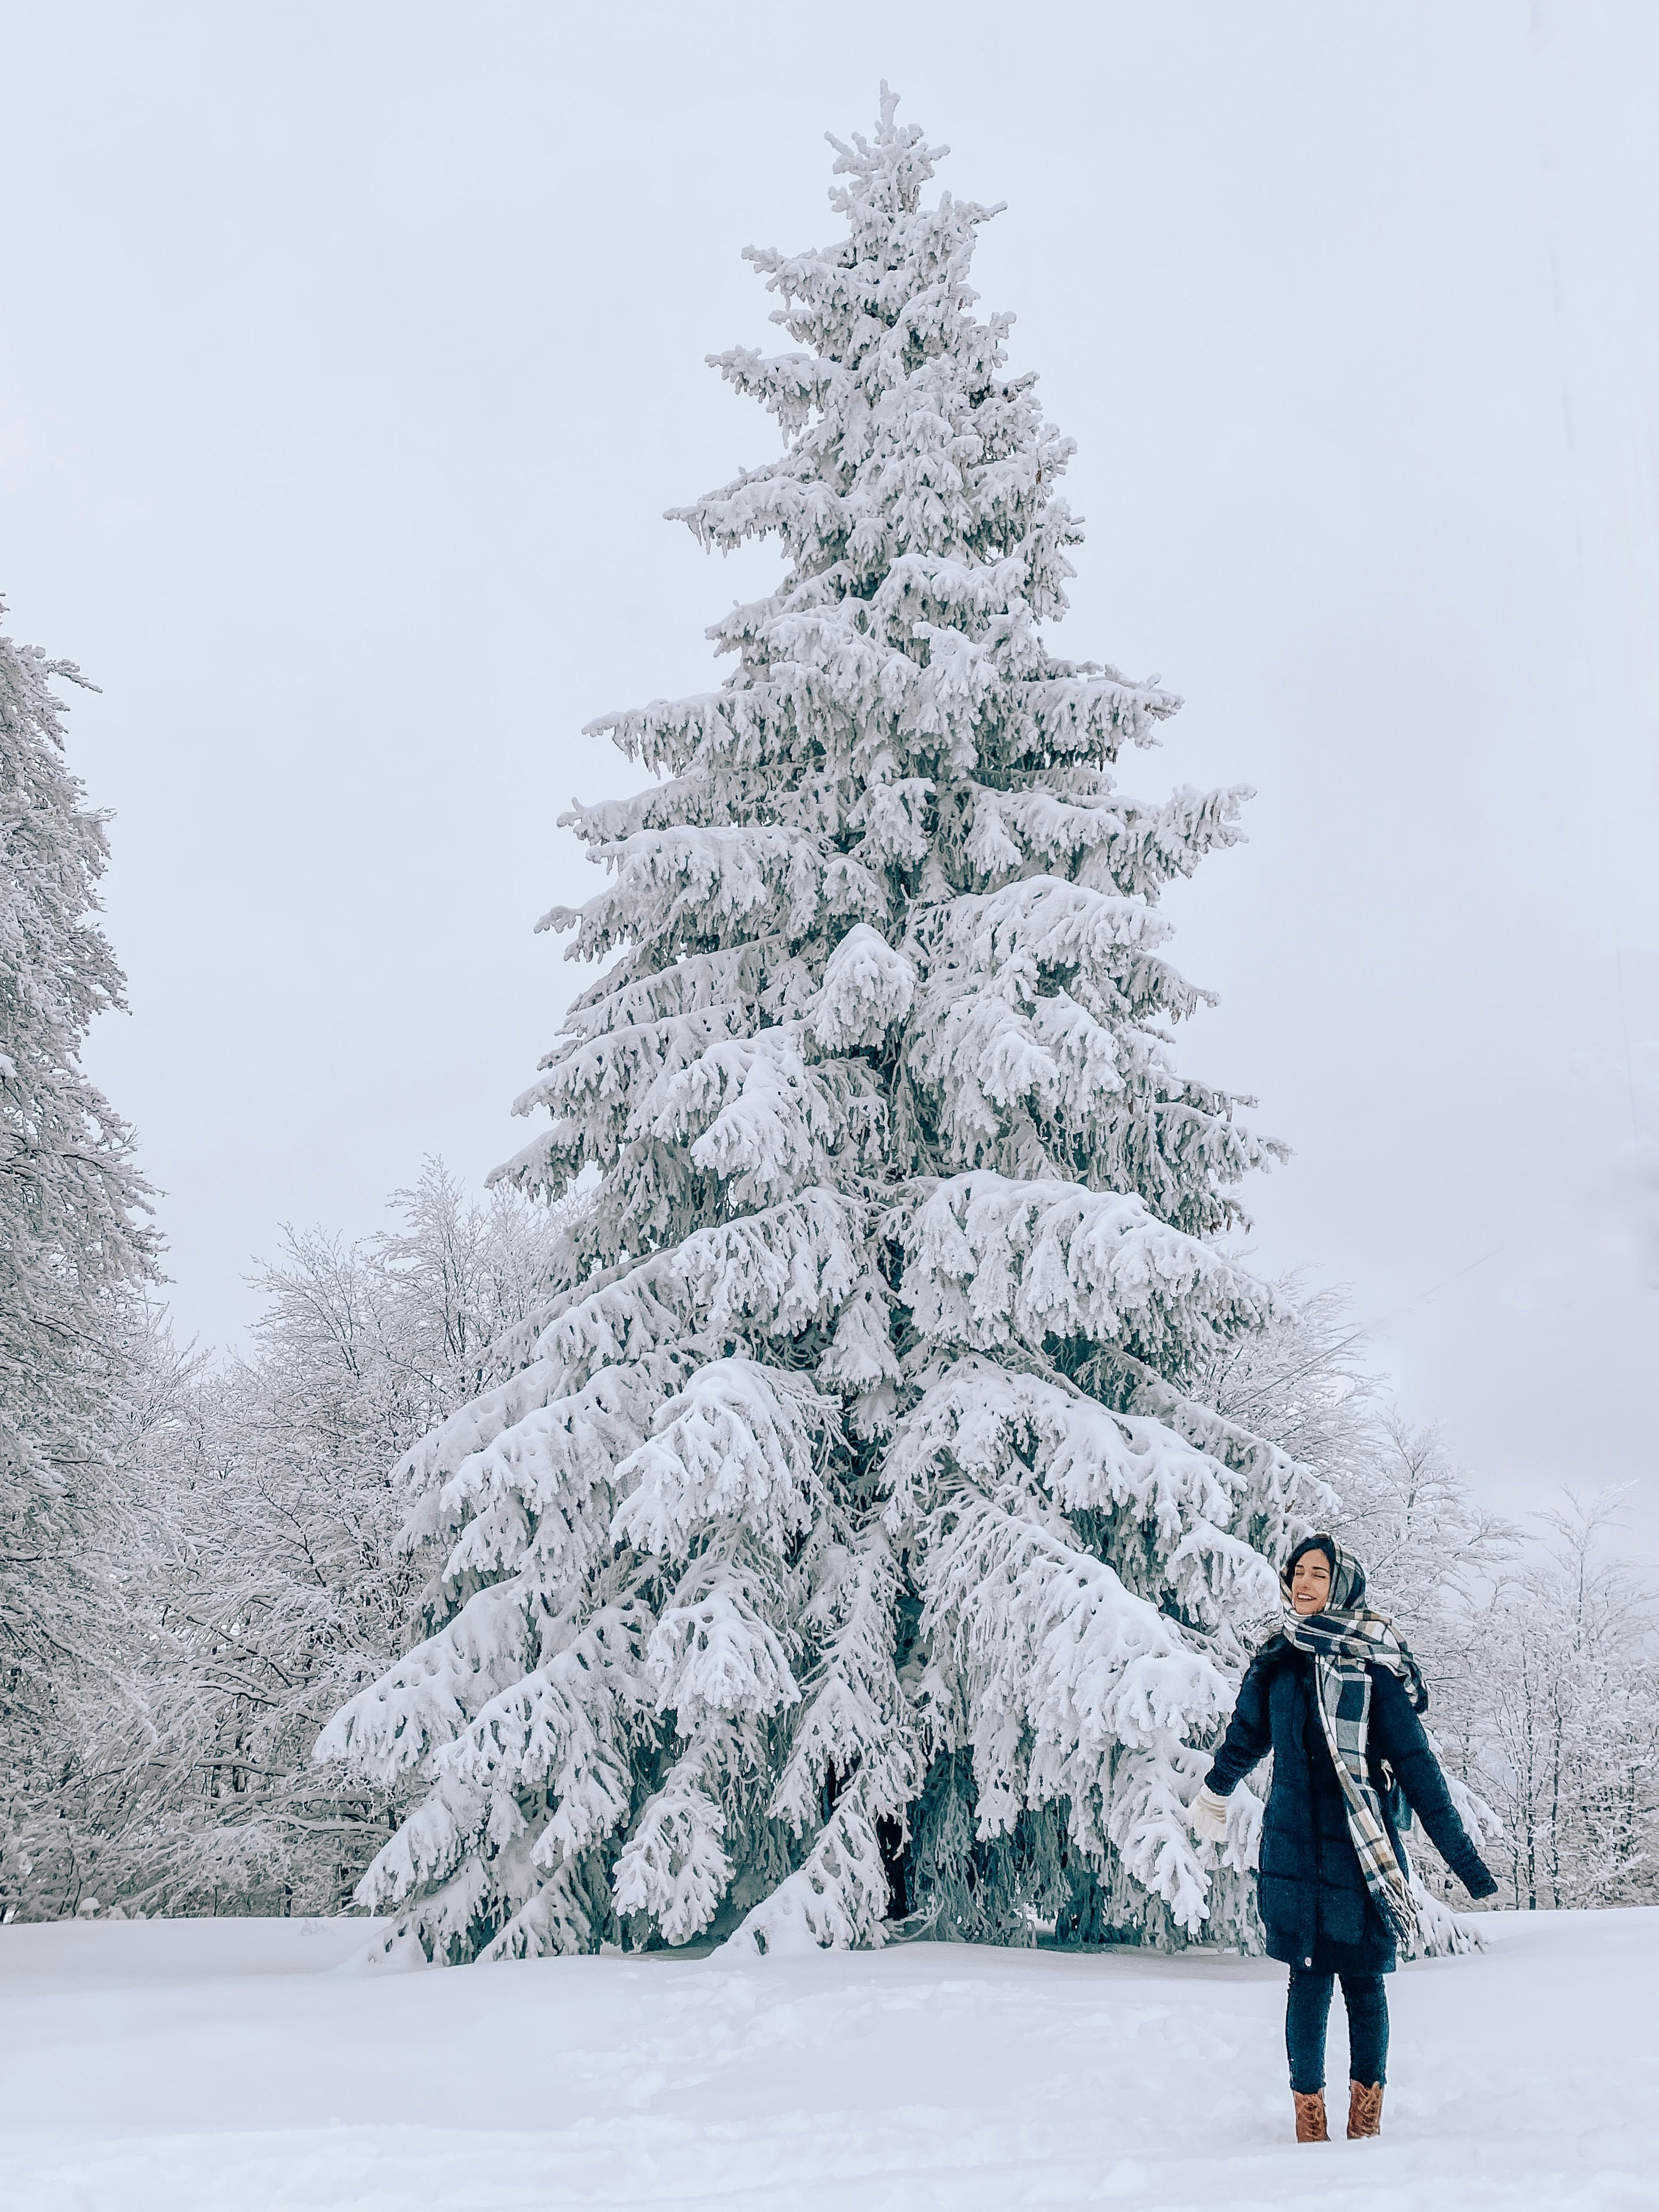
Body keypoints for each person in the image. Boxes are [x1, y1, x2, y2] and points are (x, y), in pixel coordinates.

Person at [1191, 1534, 1498, 2143]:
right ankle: (1309, 2122)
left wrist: (1463, 1857)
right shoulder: (1275, 1660)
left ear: (1342, 1586)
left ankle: (1364, 2121)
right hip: (1291, 1849)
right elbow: (1245, 1735)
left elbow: (1417, 1768)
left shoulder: (1372, 1669)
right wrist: (1214, 1789)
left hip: (1360, 1853)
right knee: (1304, 1979)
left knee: (1362, 1981)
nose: (1304, 1584)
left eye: (1318, 1574)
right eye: (1297, 1572)